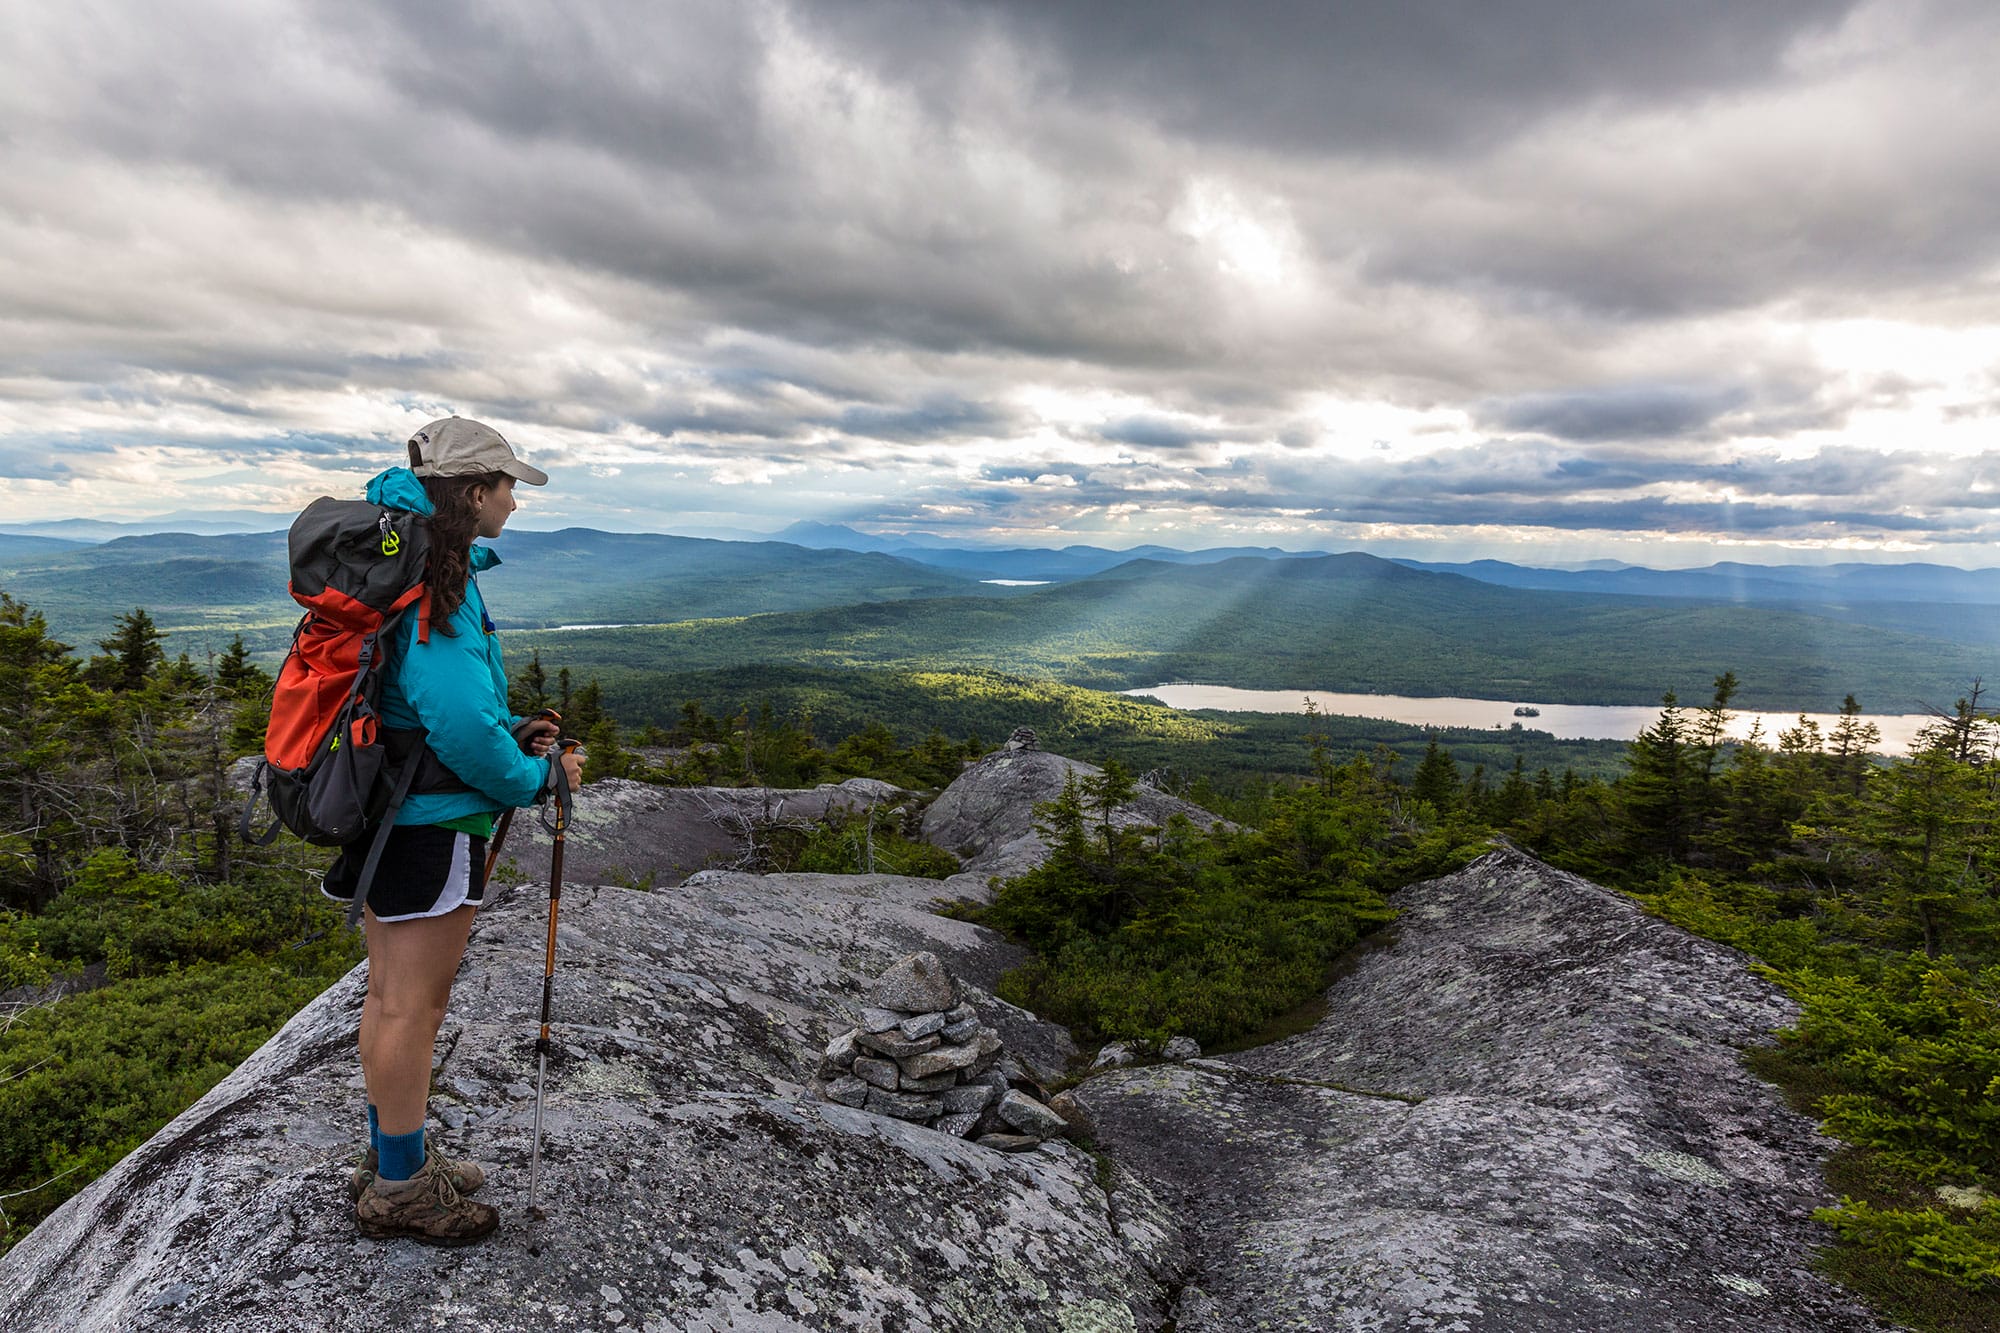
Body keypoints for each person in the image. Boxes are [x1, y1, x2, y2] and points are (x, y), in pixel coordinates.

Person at [322, 416, 584, 1244]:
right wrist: (537, 775)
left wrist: (507, 727)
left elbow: (438, 708)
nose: (514, 498)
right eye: (506, 484)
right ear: (474, 492)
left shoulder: (417, 565)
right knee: (414, 1006)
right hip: (430, 825)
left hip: (396, 815)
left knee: (391, 997)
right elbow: (455, 722)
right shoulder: (435, 582)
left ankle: (392, 1154)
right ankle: (401, 1185)